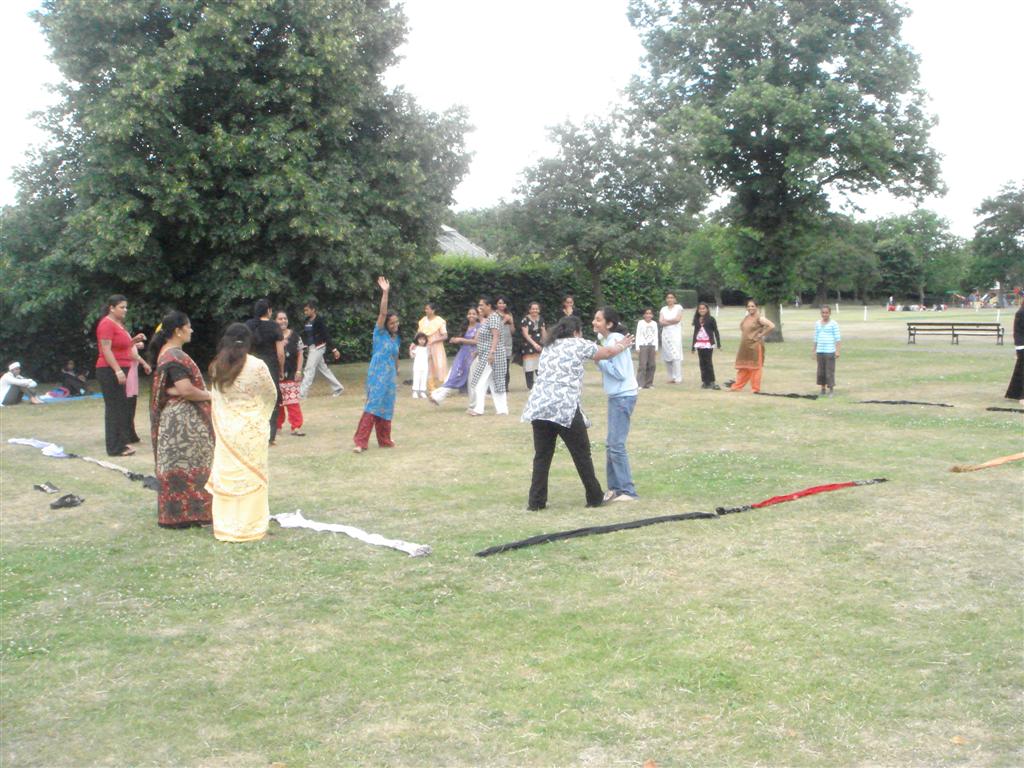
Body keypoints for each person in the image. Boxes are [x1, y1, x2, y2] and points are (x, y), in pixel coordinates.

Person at [521, 315, 634, 510]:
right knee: (582, 454)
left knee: (542, 456)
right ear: (576, 332)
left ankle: (536, 502)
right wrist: (622, 345)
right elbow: (607, 353)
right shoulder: (579, 344)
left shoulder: (549, 346)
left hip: (539, 406)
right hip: (564, 406)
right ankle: (595, 497)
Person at [206, 323, 277, 542]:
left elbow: (215, 398)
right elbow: (270, 395)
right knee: (252, 478)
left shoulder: (216, 366)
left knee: (228, 477)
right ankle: (251, 527)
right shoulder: (257, 366)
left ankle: (225, 526)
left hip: (227, 432)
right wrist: (260, 417)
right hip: (252, 431)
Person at [148, 310, 214, 528]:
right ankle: (192, 514)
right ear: (178, 331)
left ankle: (178, 515)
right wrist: (210, 395)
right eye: (188, 326)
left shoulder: (166, 354)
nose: (191, 330)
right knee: (194, 462)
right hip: (183, 423)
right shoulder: (174, 356)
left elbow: (172, 388)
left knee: (180, 465)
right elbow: (186, 389)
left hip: (175, 420)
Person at [593, 308, 640, 502]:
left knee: (616, 444)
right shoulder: (611, 340)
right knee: (611, 444)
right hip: (617, 396)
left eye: (598, 320)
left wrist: (599, 360)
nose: (594, 322)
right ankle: (614, 488)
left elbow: (619, 373)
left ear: (609, 324)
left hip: (623, 396)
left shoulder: (615, 340)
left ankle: (628, 491)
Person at [95, 294, 151, 456]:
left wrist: (134, 341)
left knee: (120, 407)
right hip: (109, 370)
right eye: (122, 307)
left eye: (126, 307)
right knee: (114, 408)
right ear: (111, 308)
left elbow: (122, 346)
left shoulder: (118, 324)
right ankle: (114, 448)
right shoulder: (106, 324)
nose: (125, 310)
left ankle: (121, 443)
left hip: (122, 367)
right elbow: (106, 350)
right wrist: (117, 370)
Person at [353, 276, 400, 452]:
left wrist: (396, 373)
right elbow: (382, 313)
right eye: (392, 323)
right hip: (377, 374)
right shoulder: (379, 333)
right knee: (373, 405)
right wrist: (385, 293)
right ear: (385, 324)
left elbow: (395, 357)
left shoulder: (396, 338)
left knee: (387, 406)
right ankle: (360, 442)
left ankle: (384, 440)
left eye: (396, 322)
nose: (395, 325)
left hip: (390, 377)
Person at [245, 299, 285, 444]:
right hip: (270, 367)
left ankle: (254, 433)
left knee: (254, 399)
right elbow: (280, 353)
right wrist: (281, 370)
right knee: (272, 399)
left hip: (252, 366)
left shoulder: (249, 325)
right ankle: (270, 436)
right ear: (268, 310)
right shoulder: (274, 326)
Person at [467, 296, 509, 415]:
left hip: (492, 355)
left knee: (481, 381)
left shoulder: (494, 318)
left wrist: (492, 352)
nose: (480, 307)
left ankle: (479, 409)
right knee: (493, 382)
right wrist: (478, 351)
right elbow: (487, 338)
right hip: (486, 354)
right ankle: (501, 410)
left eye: (482, 305)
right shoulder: (490, 318)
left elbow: (496, 336)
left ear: (489, 306)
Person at [430, 307, 480, 405]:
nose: (471, 315)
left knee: (464, 377)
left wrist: (460, 339)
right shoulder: (465, 326)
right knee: (452, 374)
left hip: (472, 355)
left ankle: (437, 396)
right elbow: (462, 340)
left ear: (477, 316)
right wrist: (455, 340)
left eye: (474, 314)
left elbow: (476, 341)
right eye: (469, 313)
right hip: (462, 354)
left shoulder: (479, 327)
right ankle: (437, 396)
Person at [298, 298, 344, 398]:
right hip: (311, 348)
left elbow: (326, 335)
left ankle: (302, 394)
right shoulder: (306, 321)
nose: (305, 312)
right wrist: (304, 345)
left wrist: (334, 349)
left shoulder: (319, 321)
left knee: (309, 369)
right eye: (304, 310)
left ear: (313, 310)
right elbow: (305, 335)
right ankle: (338, 388)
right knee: (324, 370)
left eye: (307, 310)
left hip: (318, 347)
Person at [729, 299, 776, 393]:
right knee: (743, 367)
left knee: (755, 368)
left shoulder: (760, 318)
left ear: (756, 307)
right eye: (748, 306)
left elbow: (771, 326)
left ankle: (755, 388)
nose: (750, 308)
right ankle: (737, 387)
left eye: (752, 306)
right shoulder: (746, 318)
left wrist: (761, 334)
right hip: (744, 346)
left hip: (755, 345)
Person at [275, 310, 305, 437]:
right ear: (275, 321)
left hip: (291, 373)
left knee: (292, 402)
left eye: (285, 318)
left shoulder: (295, 336)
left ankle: (296, 426)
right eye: (280, 319)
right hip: (276, 374)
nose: (283, 321)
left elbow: (300, 354)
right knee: (278, 403)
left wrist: (299, 370)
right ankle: (277, 427)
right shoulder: (272, 336)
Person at [417, 303, 448, 392]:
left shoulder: (439, 321)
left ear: (433, 310)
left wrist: (434, 341)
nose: (425, 310)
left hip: (437, 347)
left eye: (427, 309)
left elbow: (445, 336)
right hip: (425, 347)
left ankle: (443, 386)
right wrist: (414, 344)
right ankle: (431, 386)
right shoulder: (423, 321)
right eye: (425, 309)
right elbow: (418, 334)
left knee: (439, 365)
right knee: (428, 366)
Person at [691, 302, 722, 389]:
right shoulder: (697, 320)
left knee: (708, 363)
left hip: (708, 344)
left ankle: (711, 381)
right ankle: (705, 381)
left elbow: (716, 331)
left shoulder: (711, 319)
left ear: (707, 309)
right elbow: (695, 333)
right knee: (702, 363)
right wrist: (693, 346)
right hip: (699, 344)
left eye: (703, 308)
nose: (702, 310)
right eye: (700, 309)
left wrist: (718, 344)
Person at [813, 305, 842, 396]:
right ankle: (823, 389)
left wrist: (837, 351)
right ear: (820, 313)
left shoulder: (834, 324)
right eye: (823, 313)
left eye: (826, 313)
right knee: (821, 371)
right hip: (820, 351)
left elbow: (838, 339)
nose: (824, 314)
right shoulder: (817, 323)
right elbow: (816, 338)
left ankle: (831, 390)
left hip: (830, 351)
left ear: (830, 313)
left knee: (829, 371)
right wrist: (814, 350)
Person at [659, 292, 684, 384]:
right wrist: (671, 321)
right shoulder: (663, 309)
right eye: (668, 297)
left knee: (676, 356)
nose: (670, 299)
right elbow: (661, 321)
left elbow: (677, 319)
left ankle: (678, 377)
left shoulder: (678, 307)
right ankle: (671, 377)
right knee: (667, 356)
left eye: (672, 297)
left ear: (675, 299)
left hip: (675, 334)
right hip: (666, 335)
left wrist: (666, 321)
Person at [519, 302, 545, 389]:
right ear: (529, 310)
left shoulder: (541, 319)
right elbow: (525, 335)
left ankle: (540, 384)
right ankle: (530, 385)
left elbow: (544, 334)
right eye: (533, 309)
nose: (535, 310)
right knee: (529, 366)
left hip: (539, 345)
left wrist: (544, 342)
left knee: (539, 365)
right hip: (528, 345)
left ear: (539, 310)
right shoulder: (525, 320)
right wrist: (534, 344)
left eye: (536, 309)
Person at [1005, 302, 1024, 405]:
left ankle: (1014, 393)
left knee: (1020, 370)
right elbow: (1019, 332)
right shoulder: (1021, 313)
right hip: (1022, 345)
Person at [635, 308, 659, 389]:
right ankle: (640, 384)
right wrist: (637, 347)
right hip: (643, 345)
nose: (648, 315)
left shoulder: (654, 323)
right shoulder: (640, 323)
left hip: (652, 346)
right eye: (646, 313)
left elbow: (656, 336)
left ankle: (649, 383)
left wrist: (656, 348)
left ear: (652, 315)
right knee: (642, 365)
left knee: (652, 365)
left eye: (650, 313)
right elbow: (638, 335)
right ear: (644, 315)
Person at [496, 296, 515, 391]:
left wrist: (511, 322)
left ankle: (505, 386)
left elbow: (513, 331)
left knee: (506, 367)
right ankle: (496, 385)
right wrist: (504, 321)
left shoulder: (509, 314)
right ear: (496, 304)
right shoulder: (493, 314)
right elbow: (494, 329)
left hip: (507, 343)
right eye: (500, 303)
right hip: (496, 343)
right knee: (496, 366)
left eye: (503, 303)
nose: (502, 305)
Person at [410, 332, 430, 398]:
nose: (422, 341)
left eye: (423, 339)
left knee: (424, 378)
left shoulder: (426, 348)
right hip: (417, 366)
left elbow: (429, 356)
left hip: (425, 366)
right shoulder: (416, 348)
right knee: (416, 378)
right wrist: (411, 350)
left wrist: (429, 348)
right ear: (417, 340)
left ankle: (422, 392)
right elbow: (412, 356)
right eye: (420, 339)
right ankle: (415, 391)